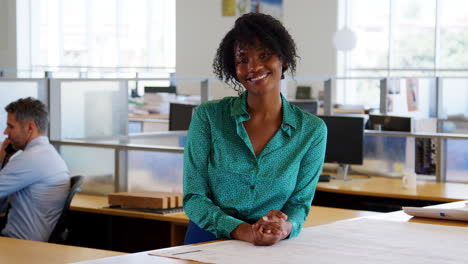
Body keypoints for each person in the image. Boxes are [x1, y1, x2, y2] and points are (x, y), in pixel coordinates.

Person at [183, 13, 327, 246]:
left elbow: (299, 204)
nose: (254, 66)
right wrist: (243, 231)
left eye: (264, 55)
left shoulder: (310, 131)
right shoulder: (208, 117)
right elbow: (194, 198)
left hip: (272, 246)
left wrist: (285, 227)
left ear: (284, 59)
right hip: (208, 241)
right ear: (233, 67)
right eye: (243, 59)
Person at [0, 97, 70, 241]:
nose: (5, 132)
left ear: (30, 128)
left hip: (19, 248)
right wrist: (4, 160)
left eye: (11, 126)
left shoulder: (31, 159)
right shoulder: (46, 154)